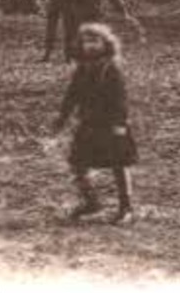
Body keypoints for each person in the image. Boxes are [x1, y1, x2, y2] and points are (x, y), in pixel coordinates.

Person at [53, 23, 137, 222]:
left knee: (119, 164)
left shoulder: (111, 68)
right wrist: (62, 118)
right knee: (77, 163)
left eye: (95, 41)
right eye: (85, 42)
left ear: (106, 43)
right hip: (88, 123)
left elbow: (120, 98)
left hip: (110, 123)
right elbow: (71, 95)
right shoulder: (82, 68)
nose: (89, 46)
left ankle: (126, 208)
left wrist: (120, 123)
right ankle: (91, 202)